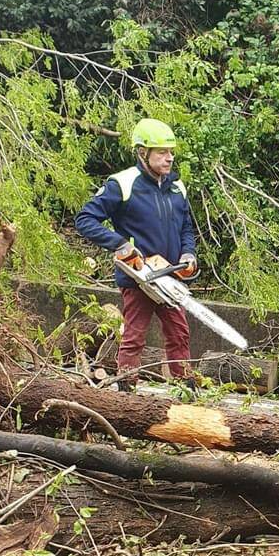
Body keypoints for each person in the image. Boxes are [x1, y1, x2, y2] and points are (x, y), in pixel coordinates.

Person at [75, 117, 198, 386]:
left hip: (169, 276)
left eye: (171, 152)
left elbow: (186, 228)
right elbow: (85, 219)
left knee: (179, 334)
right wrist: (120, 244)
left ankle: (186, 390)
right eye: (162, 152)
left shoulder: (177, 188)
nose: (169, 158)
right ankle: (126, 391)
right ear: (143, 153)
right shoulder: (123, 183)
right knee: (134, 336)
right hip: (138, 276)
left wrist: (188, 254)